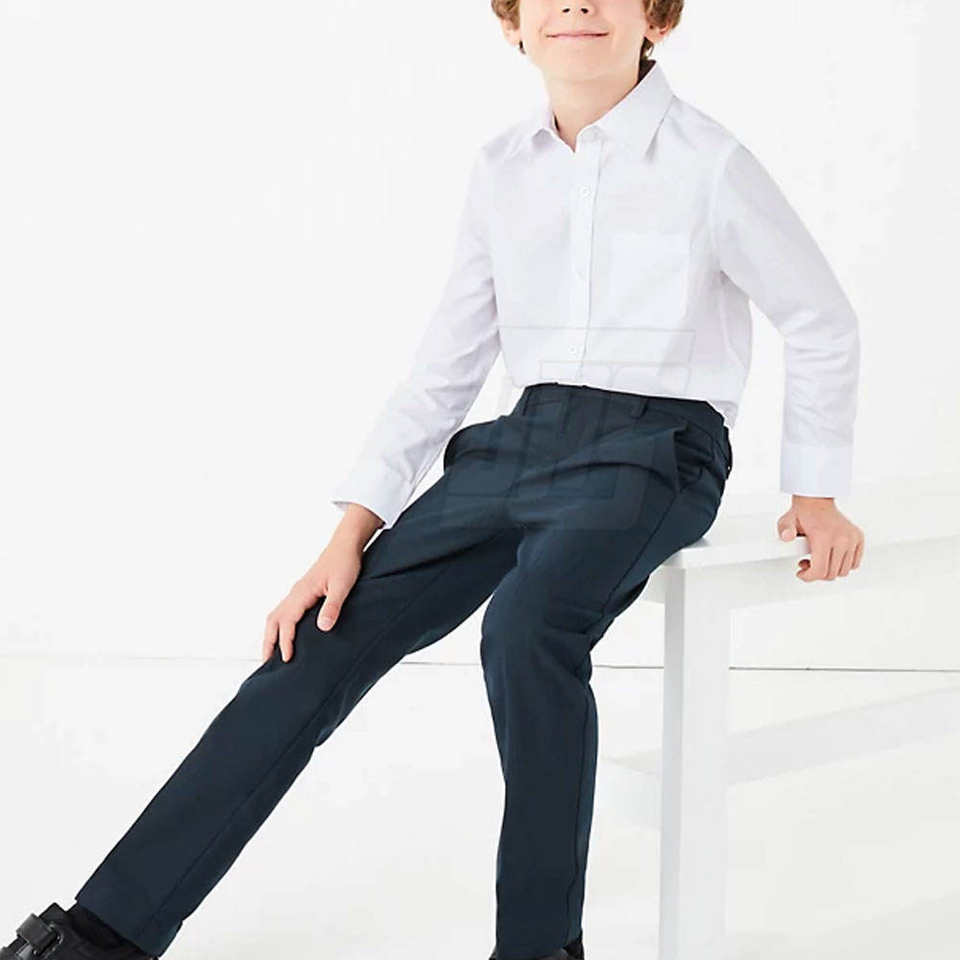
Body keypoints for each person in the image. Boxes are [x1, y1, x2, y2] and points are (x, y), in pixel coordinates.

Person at [3, 2, 866, 960]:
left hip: (656, 446)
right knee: (315, 643)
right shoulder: (501, 171)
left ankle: (539, 949)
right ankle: (100, 937)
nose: (576, 4)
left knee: (527, 628)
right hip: (516, 442)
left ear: (655, 16)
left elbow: (821, 318)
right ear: (514, 25)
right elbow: (445, 366)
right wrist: (348, 535)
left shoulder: (712, 163)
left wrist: (815, 490)